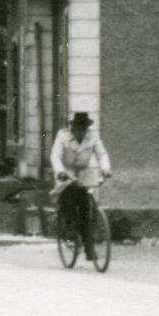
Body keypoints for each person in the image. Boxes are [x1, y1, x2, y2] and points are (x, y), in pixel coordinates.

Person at [50, 110, 111, 263]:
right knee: (69, 197)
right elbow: (55, 156)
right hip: (66, 172)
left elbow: (102, 154)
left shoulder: (93, 136)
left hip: (84, 173)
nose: (81, 131)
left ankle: (89, 246)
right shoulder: (62, 136)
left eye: (84, 128)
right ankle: (70, 229)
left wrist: (105, 168)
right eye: (78, 128)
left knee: (86, 205)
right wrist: (60, 171)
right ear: (73, 128)